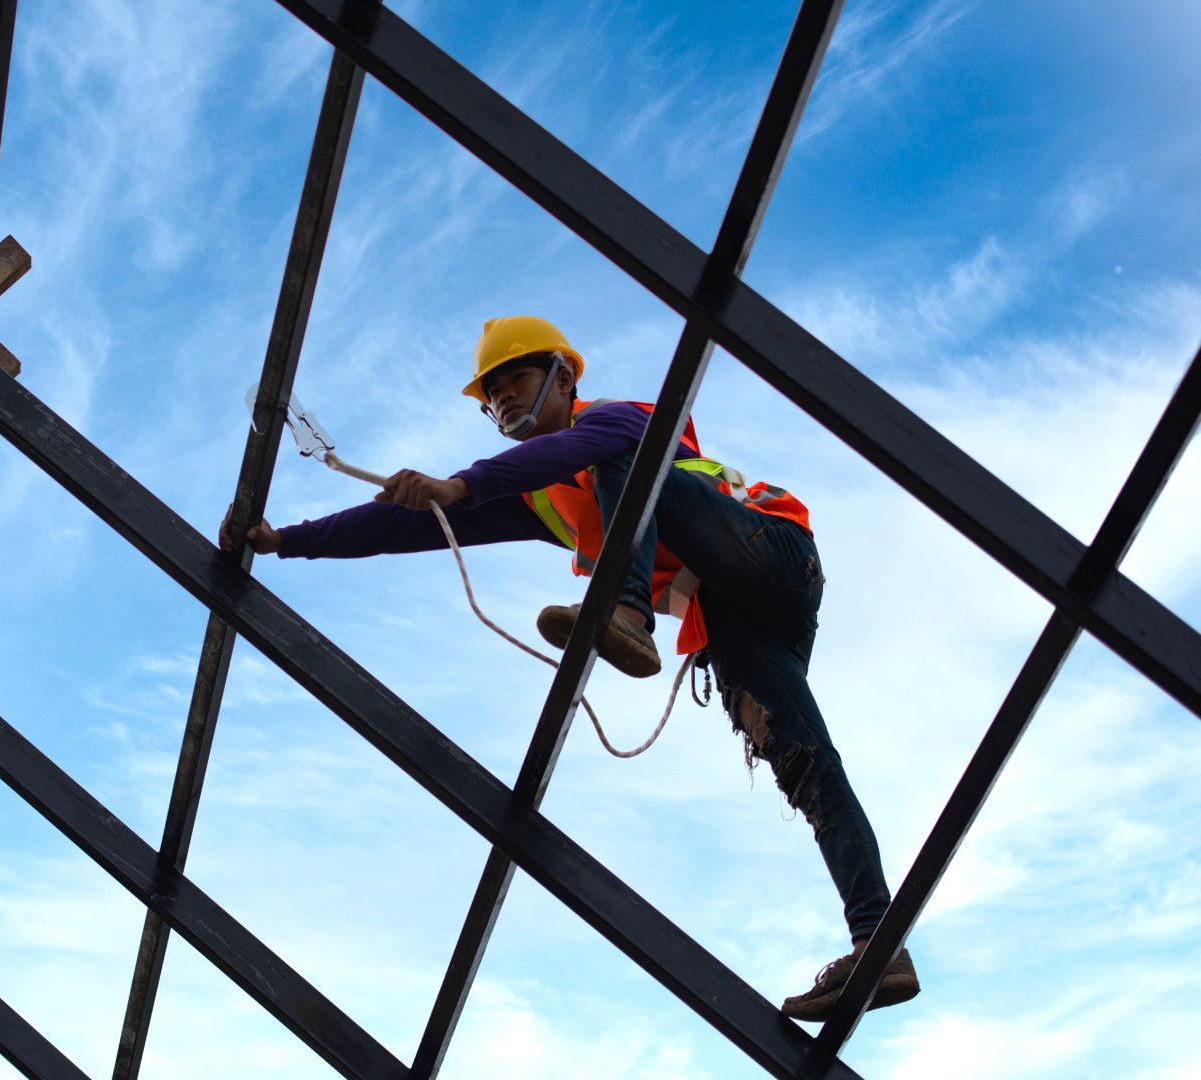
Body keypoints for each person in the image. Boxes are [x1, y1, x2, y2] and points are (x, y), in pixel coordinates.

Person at [221, 316, 920, 1021]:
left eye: (515, 380)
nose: (500, 401)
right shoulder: (541, 497)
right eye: (489, 396)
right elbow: (407, 527)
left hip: (772, 552)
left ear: (564, 375)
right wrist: (286, 541)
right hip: (729, 617)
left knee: (627, 466)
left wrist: (459, 485)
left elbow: (584, 453)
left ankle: (625, 617)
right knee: (804, 765)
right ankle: (877, 942)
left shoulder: (625, 419)